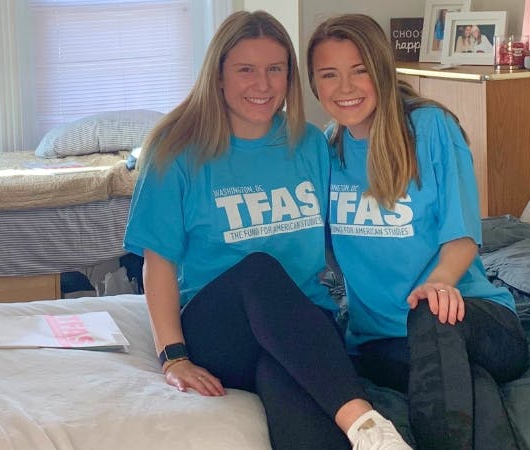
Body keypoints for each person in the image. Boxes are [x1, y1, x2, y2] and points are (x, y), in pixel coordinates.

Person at [124, 9, 411, 450]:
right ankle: (367, 423)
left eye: (275, 69)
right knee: (259, 270)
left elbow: (351, 233)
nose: (262, 84)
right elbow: (158, 262)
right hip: (218, 329)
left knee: (285, 374)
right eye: (246, 70)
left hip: (303, 325)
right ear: (218, 75)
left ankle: (376, 441)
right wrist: (173, 357)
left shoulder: (309, 143)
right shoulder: (176, 149)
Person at [306, 14, 529, 450]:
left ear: (381, 70)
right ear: (314, 83)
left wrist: (438, 283)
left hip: (473, 319)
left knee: (429, 314)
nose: (345, 87)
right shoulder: (325, 152)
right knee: (469, 384)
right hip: (383, 342)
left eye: (359, 70)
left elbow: (462, 235)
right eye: (329, 74)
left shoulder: (429, 128)